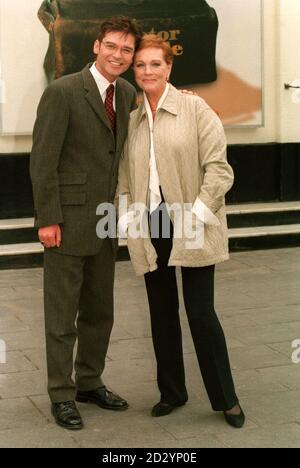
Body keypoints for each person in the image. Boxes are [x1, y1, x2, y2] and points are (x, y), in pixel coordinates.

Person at [117, 34, 245, 428]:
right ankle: (172, 392)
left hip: (191, 219)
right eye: (140, 65)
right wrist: (126, 222)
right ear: (134, 72)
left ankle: (226, 399)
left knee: (201, 313)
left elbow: (219, 169)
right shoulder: (135, 118)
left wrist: (199, 215)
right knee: (161, 312)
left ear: (169, 67)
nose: (147, 71)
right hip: (152, 222)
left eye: (155, 64)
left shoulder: (194, 107)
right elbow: (125, 178)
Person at [30, 16, 143, 430]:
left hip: (106, 220)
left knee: (99, 310)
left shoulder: (128, 92)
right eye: (112, 46)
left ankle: (90, 381)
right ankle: (61, 393)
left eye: (127, 50)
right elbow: (42, 161)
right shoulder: (62, 92)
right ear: (97, 46)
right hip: (66, 219)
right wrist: (47, 218)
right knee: (62, 315)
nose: (119, 55)